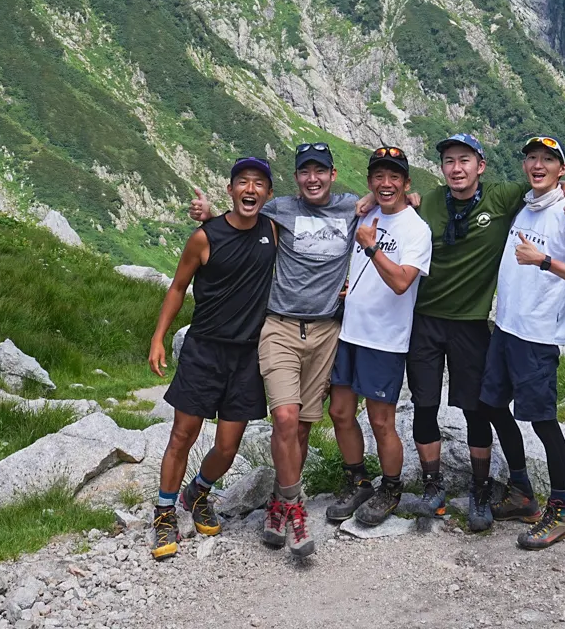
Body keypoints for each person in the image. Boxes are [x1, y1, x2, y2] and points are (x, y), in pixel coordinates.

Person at [400, 131, 565, 531]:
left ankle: (485, 489)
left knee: (479, 408)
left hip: (475, 323)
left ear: (480, 166)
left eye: (465, 160)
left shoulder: (502, 198)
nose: (457, 168)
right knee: (431, 403)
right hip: (430, 319)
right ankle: (437, 486)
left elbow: (553, 184)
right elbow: (390, 204)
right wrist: (368, 200)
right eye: (449, 161)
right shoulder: (428, 201)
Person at [190, 142, 357, 559]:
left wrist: (407, 195)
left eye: (321, 171)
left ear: (333, 175)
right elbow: (240, 219)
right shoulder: (278, 208)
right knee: (283, 417)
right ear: (296, 177)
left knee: (300, 428)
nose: (313, 178)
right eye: (305, 172)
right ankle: (296, 509)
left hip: (326, 332)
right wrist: (209, 216)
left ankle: (278, 506)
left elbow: (390, 205)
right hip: (280, 326)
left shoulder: (353, 207)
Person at [146, 157, 281, 561]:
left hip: (247, 357)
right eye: (243, 182)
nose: (251, 189)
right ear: (231, 190)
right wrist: (159, 337)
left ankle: (198, 492)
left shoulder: (273, 230)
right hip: (205, 350)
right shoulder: (204, 237)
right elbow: (177, 287)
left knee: (227, 445)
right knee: (182, 435)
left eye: (259, 184)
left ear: (268, 195)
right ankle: (164, 512)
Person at [480, 135, 565, 549]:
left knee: (543, 421)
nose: (537, 164)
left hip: (538, 336)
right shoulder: (528, 205)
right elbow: (559, 191)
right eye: (531, 157)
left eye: (547, 159)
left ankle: (560, 509)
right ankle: (521, 493)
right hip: (507, 328)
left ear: (561, 168)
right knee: (491, 405)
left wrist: (545, 261)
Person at [326, 146, 432, 527]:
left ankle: (391, 487)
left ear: (406, 183)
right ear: (370, 180)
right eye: (378, 177)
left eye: (394, 178)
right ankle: (358, 479)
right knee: (339, 412)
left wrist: (370, 248)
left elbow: (403, 282)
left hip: (385, 340)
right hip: (350, 331)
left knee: (381, 421)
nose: (386, 184)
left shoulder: (417, 229)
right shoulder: (367, 211)